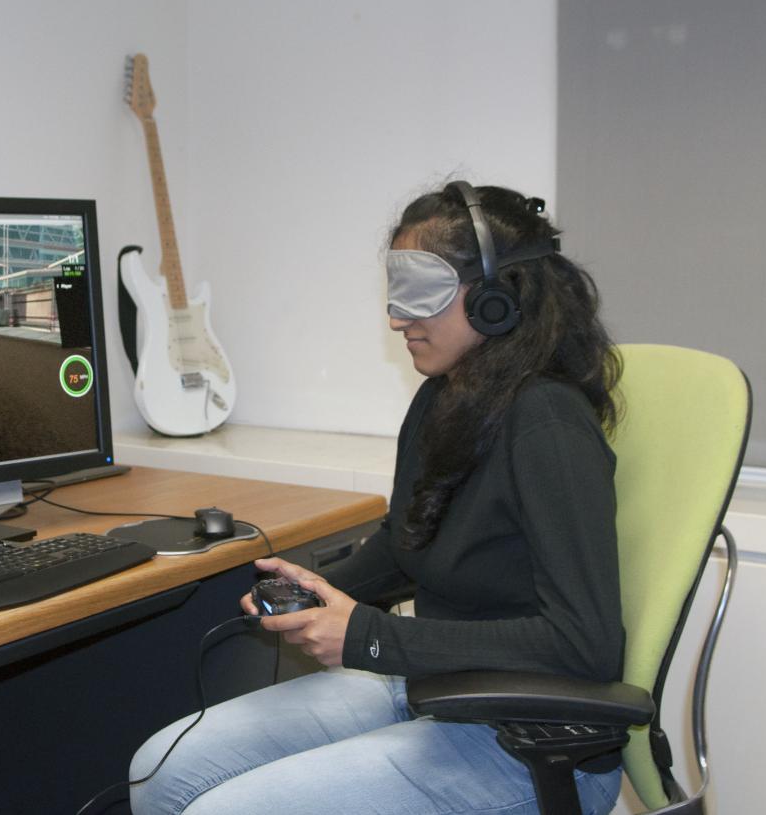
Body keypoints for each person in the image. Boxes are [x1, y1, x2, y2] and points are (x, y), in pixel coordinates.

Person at [128, 182, 625, 815]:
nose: (396, 319)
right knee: (158, 772)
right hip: (436, 683)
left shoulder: (548, 422)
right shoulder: (446, 396)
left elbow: (586, 645)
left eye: (419, 292)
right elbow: (409, 540)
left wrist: (367, 638)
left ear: (500, 294)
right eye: (395, 292)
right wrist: (315, 588)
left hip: (526, 738)